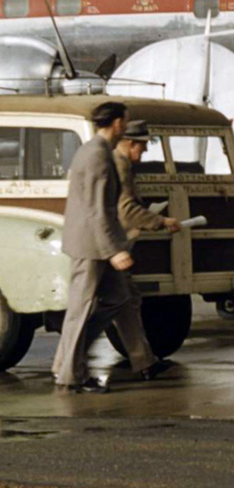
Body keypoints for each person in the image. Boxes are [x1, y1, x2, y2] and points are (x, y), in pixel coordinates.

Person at [51, 103, 162, 392]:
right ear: (115, 123)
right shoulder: (97, 155)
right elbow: (95, 210)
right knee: (81, 309)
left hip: (98, 243)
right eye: (124, 122)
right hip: (92, 246)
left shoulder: (98, 151)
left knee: (120, 299)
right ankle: (71, 377)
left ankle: (66, 359)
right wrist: (115, 250)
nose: (125, 127)